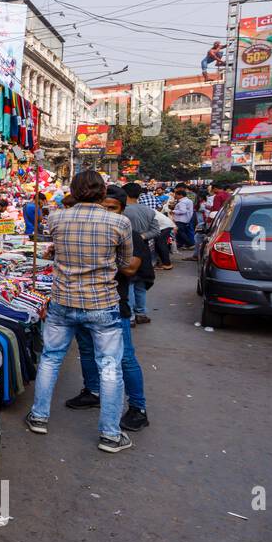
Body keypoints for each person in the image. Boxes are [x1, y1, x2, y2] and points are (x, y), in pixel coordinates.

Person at [26, 170, 138, 453]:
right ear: (103, 192)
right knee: (110, 367)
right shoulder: (119, 222)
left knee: (51, 359)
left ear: (74, 192)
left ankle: (39, 417)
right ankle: (110, 434)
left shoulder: (56, 218)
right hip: (102, 304)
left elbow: (55, 248)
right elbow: (125, 262)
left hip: (63, 301)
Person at [66, 185, 152, 433]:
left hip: (114, 306)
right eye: (102, 208)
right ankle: (92, 391)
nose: (107, 213)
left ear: (123, 210)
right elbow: (69, 199)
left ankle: (138, 408)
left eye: (112, 209)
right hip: (82, 302)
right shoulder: (94, 231)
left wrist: (98, 256)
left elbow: (131, 269)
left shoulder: (131, 235)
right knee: (86, 351)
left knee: (124, 358)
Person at [121, 182, 157, 321]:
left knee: (128, 282)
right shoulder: (149, 211)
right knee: (141, 282)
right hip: (144, 249)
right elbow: (156, 231)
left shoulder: (123, 211)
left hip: (127, 249)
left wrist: (134, 237)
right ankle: (141, 313)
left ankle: (129, 316)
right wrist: (142, 237)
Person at [170, 184, 196, 251]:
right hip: (185, 219)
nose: (175, 196)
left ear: (180, 195)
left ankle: (190, 244)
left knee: (181, 232)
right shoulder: (188, 201)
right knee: (181, 233)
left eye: (176, 195)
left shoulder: (183, 202)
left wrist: (173, 211)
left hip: (181, 219)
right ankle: (181, 244)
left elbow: (183, 211)